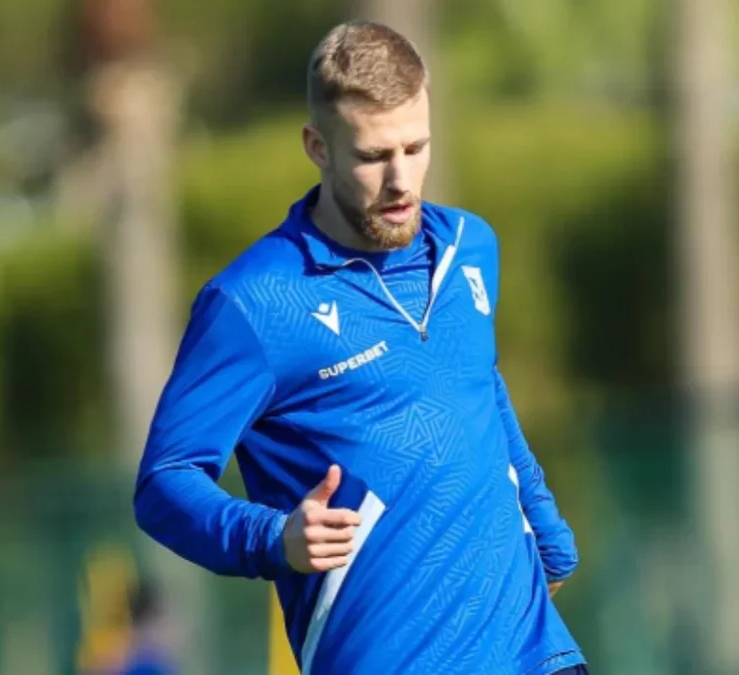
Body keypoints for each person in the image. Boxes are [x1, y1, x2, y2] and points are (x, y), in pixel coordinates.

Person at [133, 19, 586, 675]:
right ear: (317, 146)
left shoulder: (471, 248)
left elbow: (477, 385)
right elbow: (164, 481)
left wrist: (547, 530)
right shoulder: (254, 304)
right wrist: (272, 537)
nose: (401, 179)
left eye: (416, 147)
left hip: (534, 653)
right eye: (374, 156)